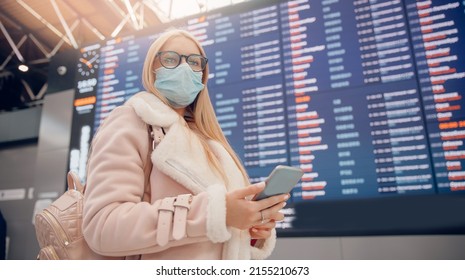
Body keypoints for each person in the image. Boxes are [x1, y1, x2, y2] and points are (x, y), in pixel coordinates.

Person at [82, 29, 289, 260]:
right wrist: (217, 214)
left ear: (203, 74)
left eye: (194, 62)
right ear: (152, 68)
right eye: (171, 59)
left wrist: (250, 227)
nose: (184, 69)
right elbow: (103, 225)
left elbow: (218, 239)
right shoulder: (132, 120)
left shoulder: (212, 142)